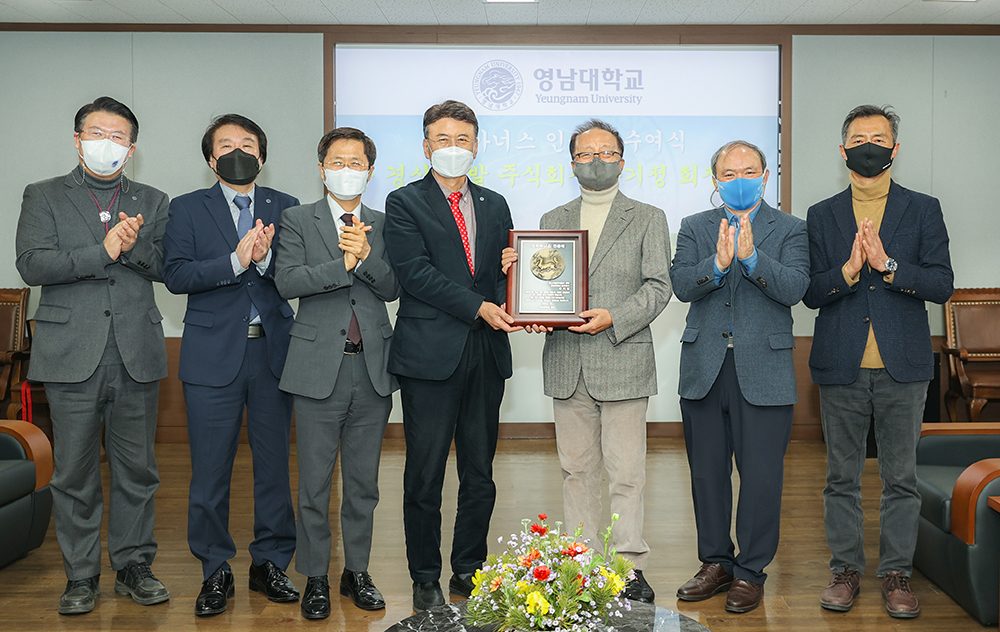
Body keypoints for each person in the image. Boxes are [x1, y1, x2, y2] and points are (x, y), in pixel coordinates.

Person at [15, 96, 170, 615]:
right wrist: (101, 252)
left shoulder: (153, 197)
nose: (108, 143)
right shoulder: (43, 195)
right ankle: (81, 575)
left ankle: (133, 566)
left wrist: (132, 246)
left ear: (132, 148)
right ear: (78, 139)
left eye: (119, 136)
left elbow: (166, 266)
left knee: (137, 471)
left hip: (136, 353)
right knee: (74, 472)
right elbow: (32, 264)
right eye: (97, 133)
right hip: (70, 353)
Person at [804, 105, 953, 619]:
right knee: (840, 478)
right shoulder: (822, 214)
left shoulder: (923, 208)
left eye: (879, 137)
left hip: (904, 366)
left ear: (894, 148)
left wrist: (888, 265)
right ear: (843, 150)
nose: (870, 145)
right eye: (859, 138)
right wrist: (846, 271)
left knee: (901, 479)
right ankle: (845, 570)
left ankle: (896, 574)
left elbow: (942, 284)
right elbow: (809, 291)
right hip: (840, 364)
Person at [526, 119, 672, 604]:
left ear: (622, 161)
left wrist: (614, 316)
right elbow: (545, 287)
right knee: (577, 470)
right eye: (586, 154)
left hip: (623, 357)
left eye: (606, 153)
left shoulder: (648, 217)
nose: (596, 161)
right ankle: (583, 565)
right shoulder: (551, 220)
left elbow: (659, 287)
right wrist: (531, 303)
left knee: (627, 472)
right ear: (572, 164)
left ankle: (629, 566)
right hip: (568, 362)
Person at [383, 100, 519, 612]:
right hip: (429, 356)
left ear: (477, 145)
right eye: (443, 139)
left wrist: (513, 275)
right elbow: (414, 274)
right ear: (426, 146)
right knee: (425, 472)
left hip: (486, 353)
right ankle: (424, 575)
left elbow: (501, 277)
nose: (453, 148)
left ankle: (469, 568)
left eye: (463, 139)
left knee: (480, 472)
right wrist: (480, 305)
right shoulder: (404, 202)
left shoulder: (496, 203)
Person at [162, 114, 299, 616]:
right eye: (226, 145)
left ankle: (270, 563)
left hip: (273, 353)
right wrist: (237, 262)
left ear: (262, 155)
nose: (237, 151)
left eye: (248, 144)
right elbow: (174, 274)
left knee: (274, 469)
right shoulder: (185, 209)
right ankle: (214, 568)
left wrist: (264, 261)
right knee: (210, 472)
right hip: (210, 356)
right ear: (210, 158)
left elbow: (299, 274)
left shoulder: (286, 207)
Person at [669, 140, 809, 614]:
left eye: (749, 170)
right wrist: (718, 265)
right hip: (704, 368)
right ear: (715, 180)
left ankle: (750, 571)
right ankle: (716, 562)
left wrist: (751, 261)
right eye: (729, 172)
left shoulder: (791, 228)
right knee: (707, 474)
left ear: (765, 176)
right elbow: (682, 284)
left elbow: (794, 289)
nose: (739, 178)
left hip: (764, 369)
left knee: (762, 477)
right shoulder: (694, 227)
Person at [274, 127, 399, 619]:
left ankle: (358, 572)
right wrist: (341, 262)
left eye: (356, 162)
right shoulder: (297, 219)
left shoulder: (385, 224)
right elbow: (287, 281)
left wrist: (366, 259)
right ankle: (316, 577)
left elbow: (392, 288)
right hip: (315, 370)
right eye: (337, 161)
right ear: (321, 166)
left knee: (364, 484)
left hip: (372, 369)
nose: (347, 170)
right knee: (315, 485)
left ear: (370, 169)